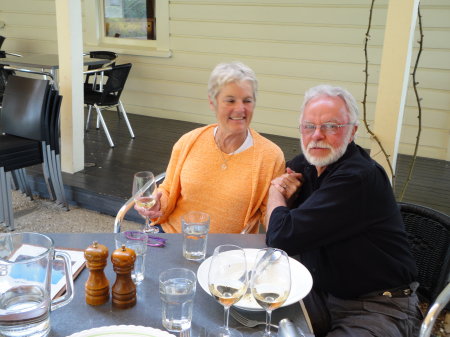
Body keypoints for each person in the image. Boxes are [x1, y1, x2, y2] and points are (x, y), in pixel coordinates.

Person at [265, 84, 422, 337]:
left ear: (352, 132)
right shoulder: (307, 164)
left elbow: (279, 236)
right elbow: (273, 228)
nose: (317, 135)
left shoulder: (357, 177)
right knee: (253, 315)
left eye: (331, 126)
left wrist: (275, 192)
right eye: (309, 126)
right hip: (321, 292)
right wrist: (281, 205)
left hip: (376, 306)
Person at [137, 62, 285, 233]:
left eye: (247, 100)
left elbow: (271, 220)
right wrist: (156, 204)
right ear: (212, 102)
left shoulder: (270, 156)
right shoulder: (189, 141)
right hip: (173, 239)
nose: (240, 109)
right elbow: (168, 190)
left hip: (227, 252)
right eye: (230, 100)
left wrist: (281, 199)